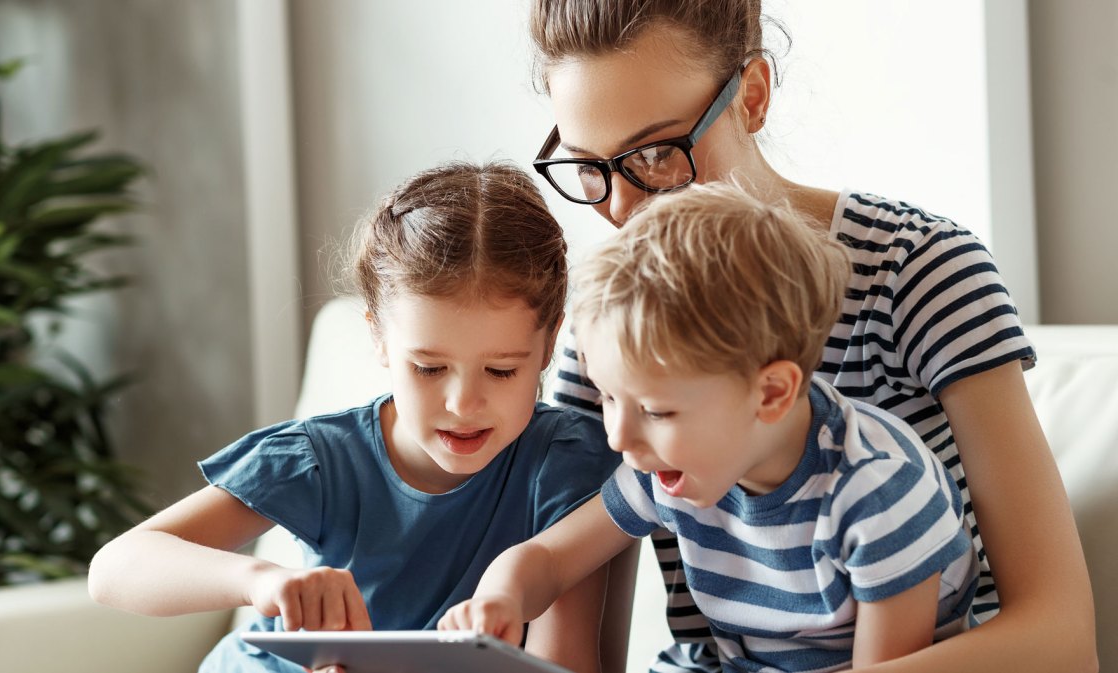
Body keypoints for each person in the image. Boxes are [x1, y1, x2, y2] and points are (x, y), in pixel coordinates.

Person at [525, 1, 1097, 672]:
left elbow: (1061, 639)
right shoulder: (614, 329)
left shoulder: (917, 272)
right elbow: (578, 633)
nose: (623, 209)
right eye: (588, 168)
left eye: (655, 153)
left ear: (753, 95)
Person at [87, 161, 622, 673]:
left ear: (551, 341)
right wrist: (261, 582)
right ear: (378, 337)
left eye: (502, 371)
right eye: (430, 368)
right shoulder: (324, 458)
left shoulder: (563, 464)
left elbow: (567, 662)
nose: (463, 404)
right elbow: (114, 570)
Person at [440, 182, 983, 670]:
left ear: (771, 393)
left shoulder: (879, 493)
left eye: (655, 410)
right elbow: (551, 558)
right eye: (608, 398)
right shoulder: (671, 467)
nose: (618, 438)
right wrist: (500, 600)